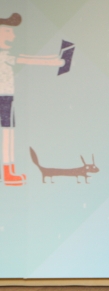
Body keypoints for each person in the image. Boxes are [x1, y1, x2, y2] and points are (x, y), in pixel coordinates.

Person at [0, 13, 65, 186]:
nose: (13, 35)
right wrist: (55, 62)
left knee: (9, 133)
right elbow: (27, 60)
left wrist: (55, 59)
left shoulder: (5, 55)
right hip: (3, 98)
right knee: (7, 134)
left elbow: (27, 58)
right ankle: (7, 172)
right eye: (7, 31)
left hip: (6, 98)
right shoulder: (3, 56)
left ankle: (9, 171)